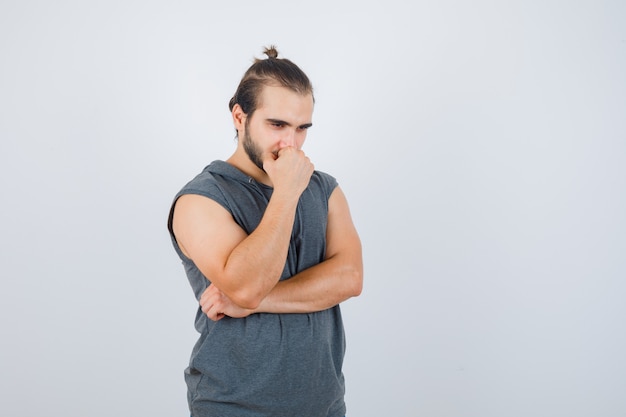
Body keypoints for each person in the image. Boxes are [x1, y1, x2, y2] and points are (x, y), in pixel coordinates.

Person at [167, 45, 363, 417]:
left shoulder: (324, 188)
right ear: (239, 116)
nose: (291, 143)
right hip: (234, 406)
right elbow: (246, 286)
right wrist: (287, 192)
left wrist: (249, 304)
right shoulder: (201, 199)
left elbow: (349, 278)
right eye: (277, 125)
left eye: (302, 128)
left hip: (323, 405)